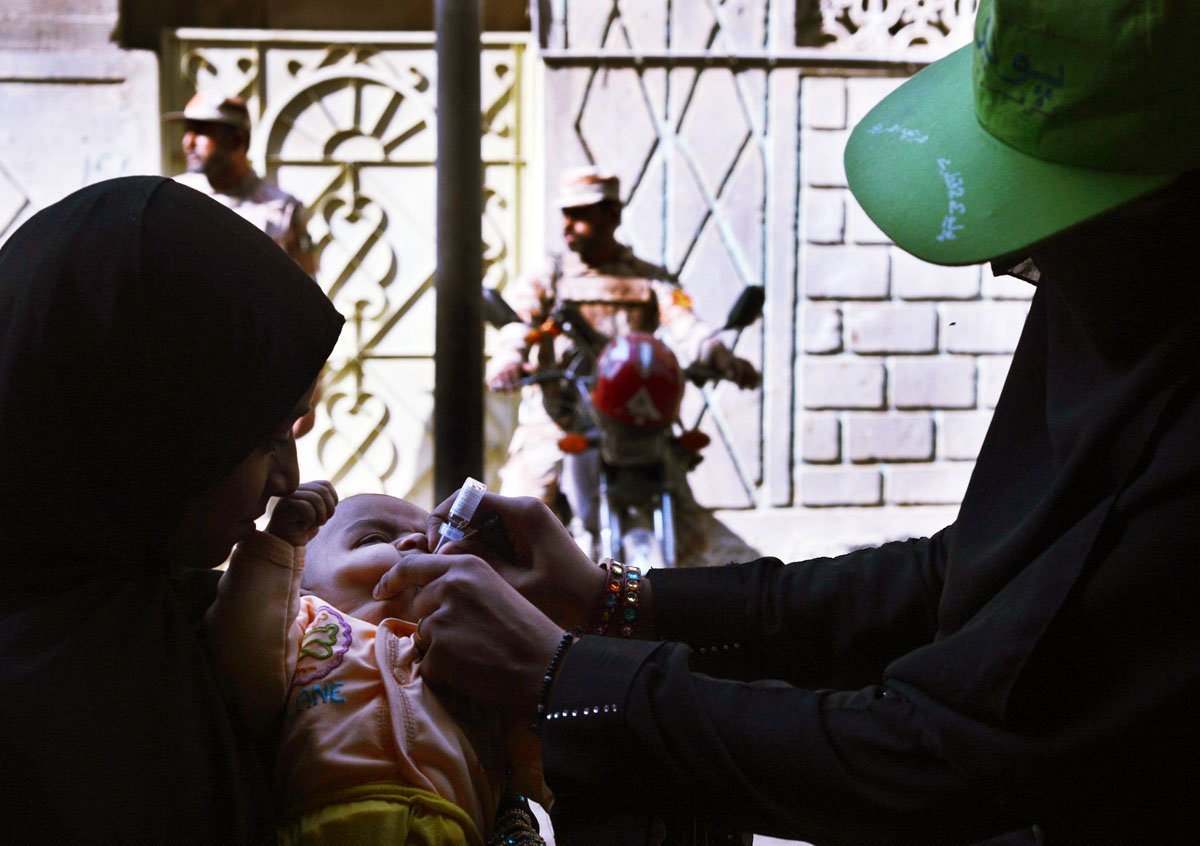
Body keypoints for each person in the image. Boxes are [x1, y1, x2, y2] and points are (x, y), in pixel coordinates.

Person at [373, 1, 1200, 843]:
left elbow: (947, 755)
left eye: (1062, 224)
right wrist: (614, 599)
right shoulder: (1124, 349)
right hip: (579, 412)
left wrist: (567, 676)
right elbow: (958, 577)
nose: (1009, 261)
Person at [0, 176, 343, 841]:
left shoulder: (143, 609)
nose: (286, 479)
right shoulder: (72, 728)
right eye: (262, 439)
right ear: (147, 438)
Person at [206, 486, 549, 845]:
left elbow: (554, 759)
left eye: (432, 542)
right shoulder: (308, 627)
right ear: (303, 586)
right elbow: (240, 658)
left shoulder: (471, 658)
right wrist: (276, 550)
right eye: (373, 538)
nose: (416, 541)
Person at [488, 167, 758, 560]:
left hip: (633, 419)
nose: (569, 224)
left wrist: (721, 357)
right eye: (566, 213)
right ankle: (503, 607)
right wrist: (508, 360)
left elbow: (685, 324)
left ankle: (686, 601)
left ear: (611, 215)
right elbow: (518, 322)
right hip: (564, 413)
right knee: (515, 514)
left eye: (581, 214)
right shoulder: (551, 276)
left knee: (690, 530)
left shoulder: (650, 279)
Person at [166, 91, 317, 276]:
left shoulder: (282, 210)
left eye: (201, 131)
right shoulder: (174, 198)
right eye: (187, 131)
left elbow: (306, 291)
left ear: (238, 139)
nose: (188, 142)